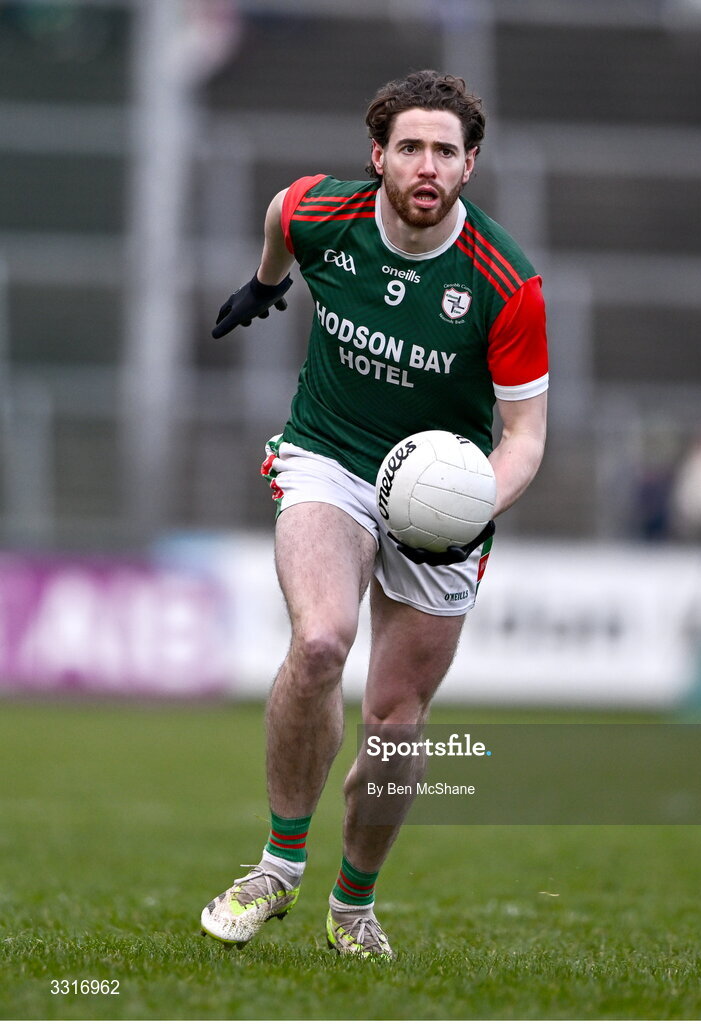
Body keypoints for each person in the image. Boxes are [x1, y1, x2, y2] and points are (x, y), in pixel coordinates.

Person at [200, 70, 549, 959]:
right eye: (409, 148)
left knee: (394, 725)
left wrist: (474, 505)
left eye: (444, 151)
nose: (425, 165)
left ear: (470, 165)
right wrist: (266, 283)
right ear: (377, 156)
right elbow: (281, 212)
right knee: (319, 643)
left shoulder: (508, 285)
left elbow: (523, 438)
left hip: (442, 496)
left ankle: (352, 906)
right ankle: (276, 869)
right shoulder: (326, 215)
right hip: (330, 457)